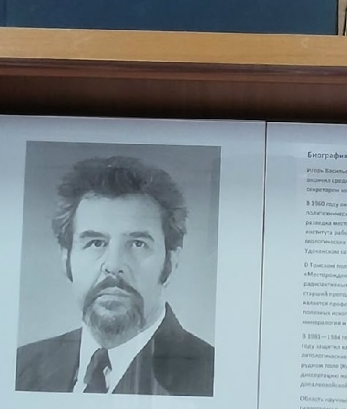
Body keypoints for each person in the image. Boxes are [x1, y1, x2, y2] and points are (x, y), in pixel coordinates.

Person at [15, 153, 214, 396]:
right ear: (66, 259)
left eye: (138, 244)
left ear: (170, 262)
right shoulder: (22, 367)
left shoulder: (213, 376)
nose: (113, 264)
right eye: (96, 243)